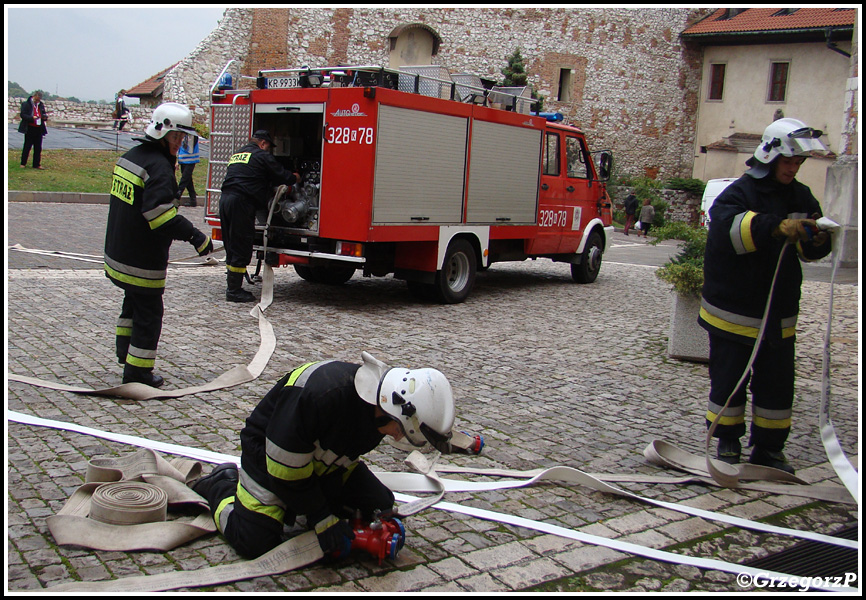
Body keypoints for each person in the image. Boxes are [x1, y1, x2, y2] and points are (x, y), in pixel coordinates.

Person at [190, 352, 456, 559]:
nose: (397, 437)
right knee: (254, 541)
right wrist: (320, 516)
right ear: (391, 410)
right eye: (400, 430)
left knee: (380, 506)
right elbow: (286, 472)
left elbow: (343, 459)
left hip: (317, 465)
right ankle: (220, 486)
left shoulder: (377, 409)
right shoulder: (321, 396)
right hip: (270, 459)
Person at [699, 118, 832, 474]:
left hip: (779, 311)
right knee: (730, 379)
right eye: (788, 161)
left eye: (798, 162)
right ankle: (727, 440)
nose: (793, 168)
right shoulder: (739, 194)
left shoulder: (801, 196)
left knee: (777, 383)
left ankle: (769, 448)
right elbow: (727, 234)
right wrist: (772, 226)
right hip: (735, 310)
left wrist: (817, 239)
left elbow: (811, 250)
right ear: (770, 157)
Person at [104, 102, 214, 388]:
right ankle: (138, 373)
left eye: (183, 138)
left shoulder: (132, 156)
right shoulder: (160, 168)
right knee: (149, 315)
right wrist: (197, 237)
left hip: (118, 252)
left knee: (132, 304)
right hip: (142, 260)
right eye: (176, 137)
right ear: (162, 132)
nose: (179, 144)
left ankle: (124, 354)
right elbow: (161, 218)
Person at [219, 130, 299, 302]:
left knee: (231, 243)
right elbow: (282, 176)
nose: (268, 150)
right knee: (241, 244)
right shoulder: (262, 156)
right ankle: (234, 291)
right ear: (262, 143)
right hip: (241, 202)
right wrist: (295, 177)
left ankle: (232, 284)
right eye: (268, 146)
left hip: (225, 200)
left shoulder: (238, 154)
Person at [19, 90, 48, 169]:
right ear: (34, 96)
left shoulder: (41, 105)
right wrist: (31, 118)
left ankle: (36, 164)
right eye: (36, 99)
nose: (37, 101)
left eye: (39, 99)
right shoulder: (26, 104)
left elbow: (43, 113)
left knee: (38, 147)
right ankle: (23, 163)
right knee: (27, 146)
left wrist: (44, 117)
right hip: (29, 128)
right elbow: (23, 115)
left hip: (38, 128)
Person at [176, 135, 200, 207]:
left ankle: (177, 197)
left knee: (184, 180)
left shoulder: (192, 135)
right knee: (188, 181)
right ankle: (193, 200)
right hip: (183, 160)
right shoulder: (182, 134)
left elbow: (190, 146)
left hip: (191, 160)